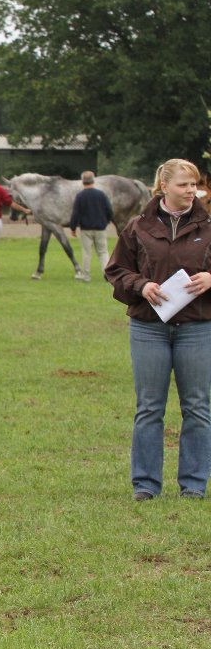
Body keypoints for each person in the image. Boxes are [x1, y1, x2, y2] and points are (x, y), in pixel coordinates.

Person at [104, 158, 211, 501]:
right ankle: (146, 485)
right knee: (150, 407)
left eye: (194, 184)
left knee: (196, 405)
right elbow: (117, 270)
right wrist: (141, 285)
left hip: (197, 327)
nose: (191, 191)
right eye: (183, 184)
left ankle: (194, 484)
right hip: (149, 328)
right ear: (164, 186)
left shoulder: (209, 226)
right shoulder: (137, 227)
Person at [68, 170, 114, 282]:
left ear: (82, 181)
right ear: (93, 180)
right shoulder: (101, 194)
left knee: (87, 252)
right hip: (100, 228)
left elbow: (75, 213)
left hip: (86, 229)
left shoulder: (80, 196)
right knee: (103, 252)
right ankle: (107, 274)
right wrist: (106, 221)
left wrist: (73, 228)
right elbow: (109, 211)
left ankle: (86, 276)